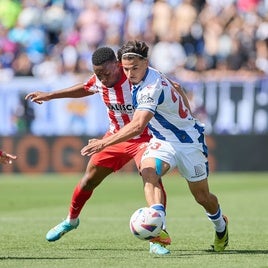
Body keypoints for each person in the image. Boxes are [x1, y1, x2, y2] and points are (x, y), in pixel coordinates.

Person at [81, 40, 229, 253]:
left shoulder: (151, 86)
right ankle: (158, 227)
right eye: (126, 69)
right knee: (148, 170)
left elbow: (138, 125)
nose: (130, 74)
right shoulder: (142, 75)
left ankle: (221, 227)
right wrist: (186, 111)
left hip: (188, 142)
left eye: (135, 68)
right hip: (162, 140)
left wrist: (103, 143)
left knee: (202, 197)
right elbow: (177, 87)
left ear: (145, 63)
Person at [25, 46, 172, 255]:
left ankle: (157, 234)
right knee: (88, 179)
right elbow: (85, 88)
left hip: (146, 138)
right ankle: (71, 220)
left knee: (151, 177)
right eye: (98, 74)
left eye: (106, 73)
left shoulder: (137, 76)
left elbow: (169, 86)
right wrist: (50, 95)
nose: (102, 78)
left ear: (117, 64)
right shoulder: (100, 80)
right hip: (115, 138)